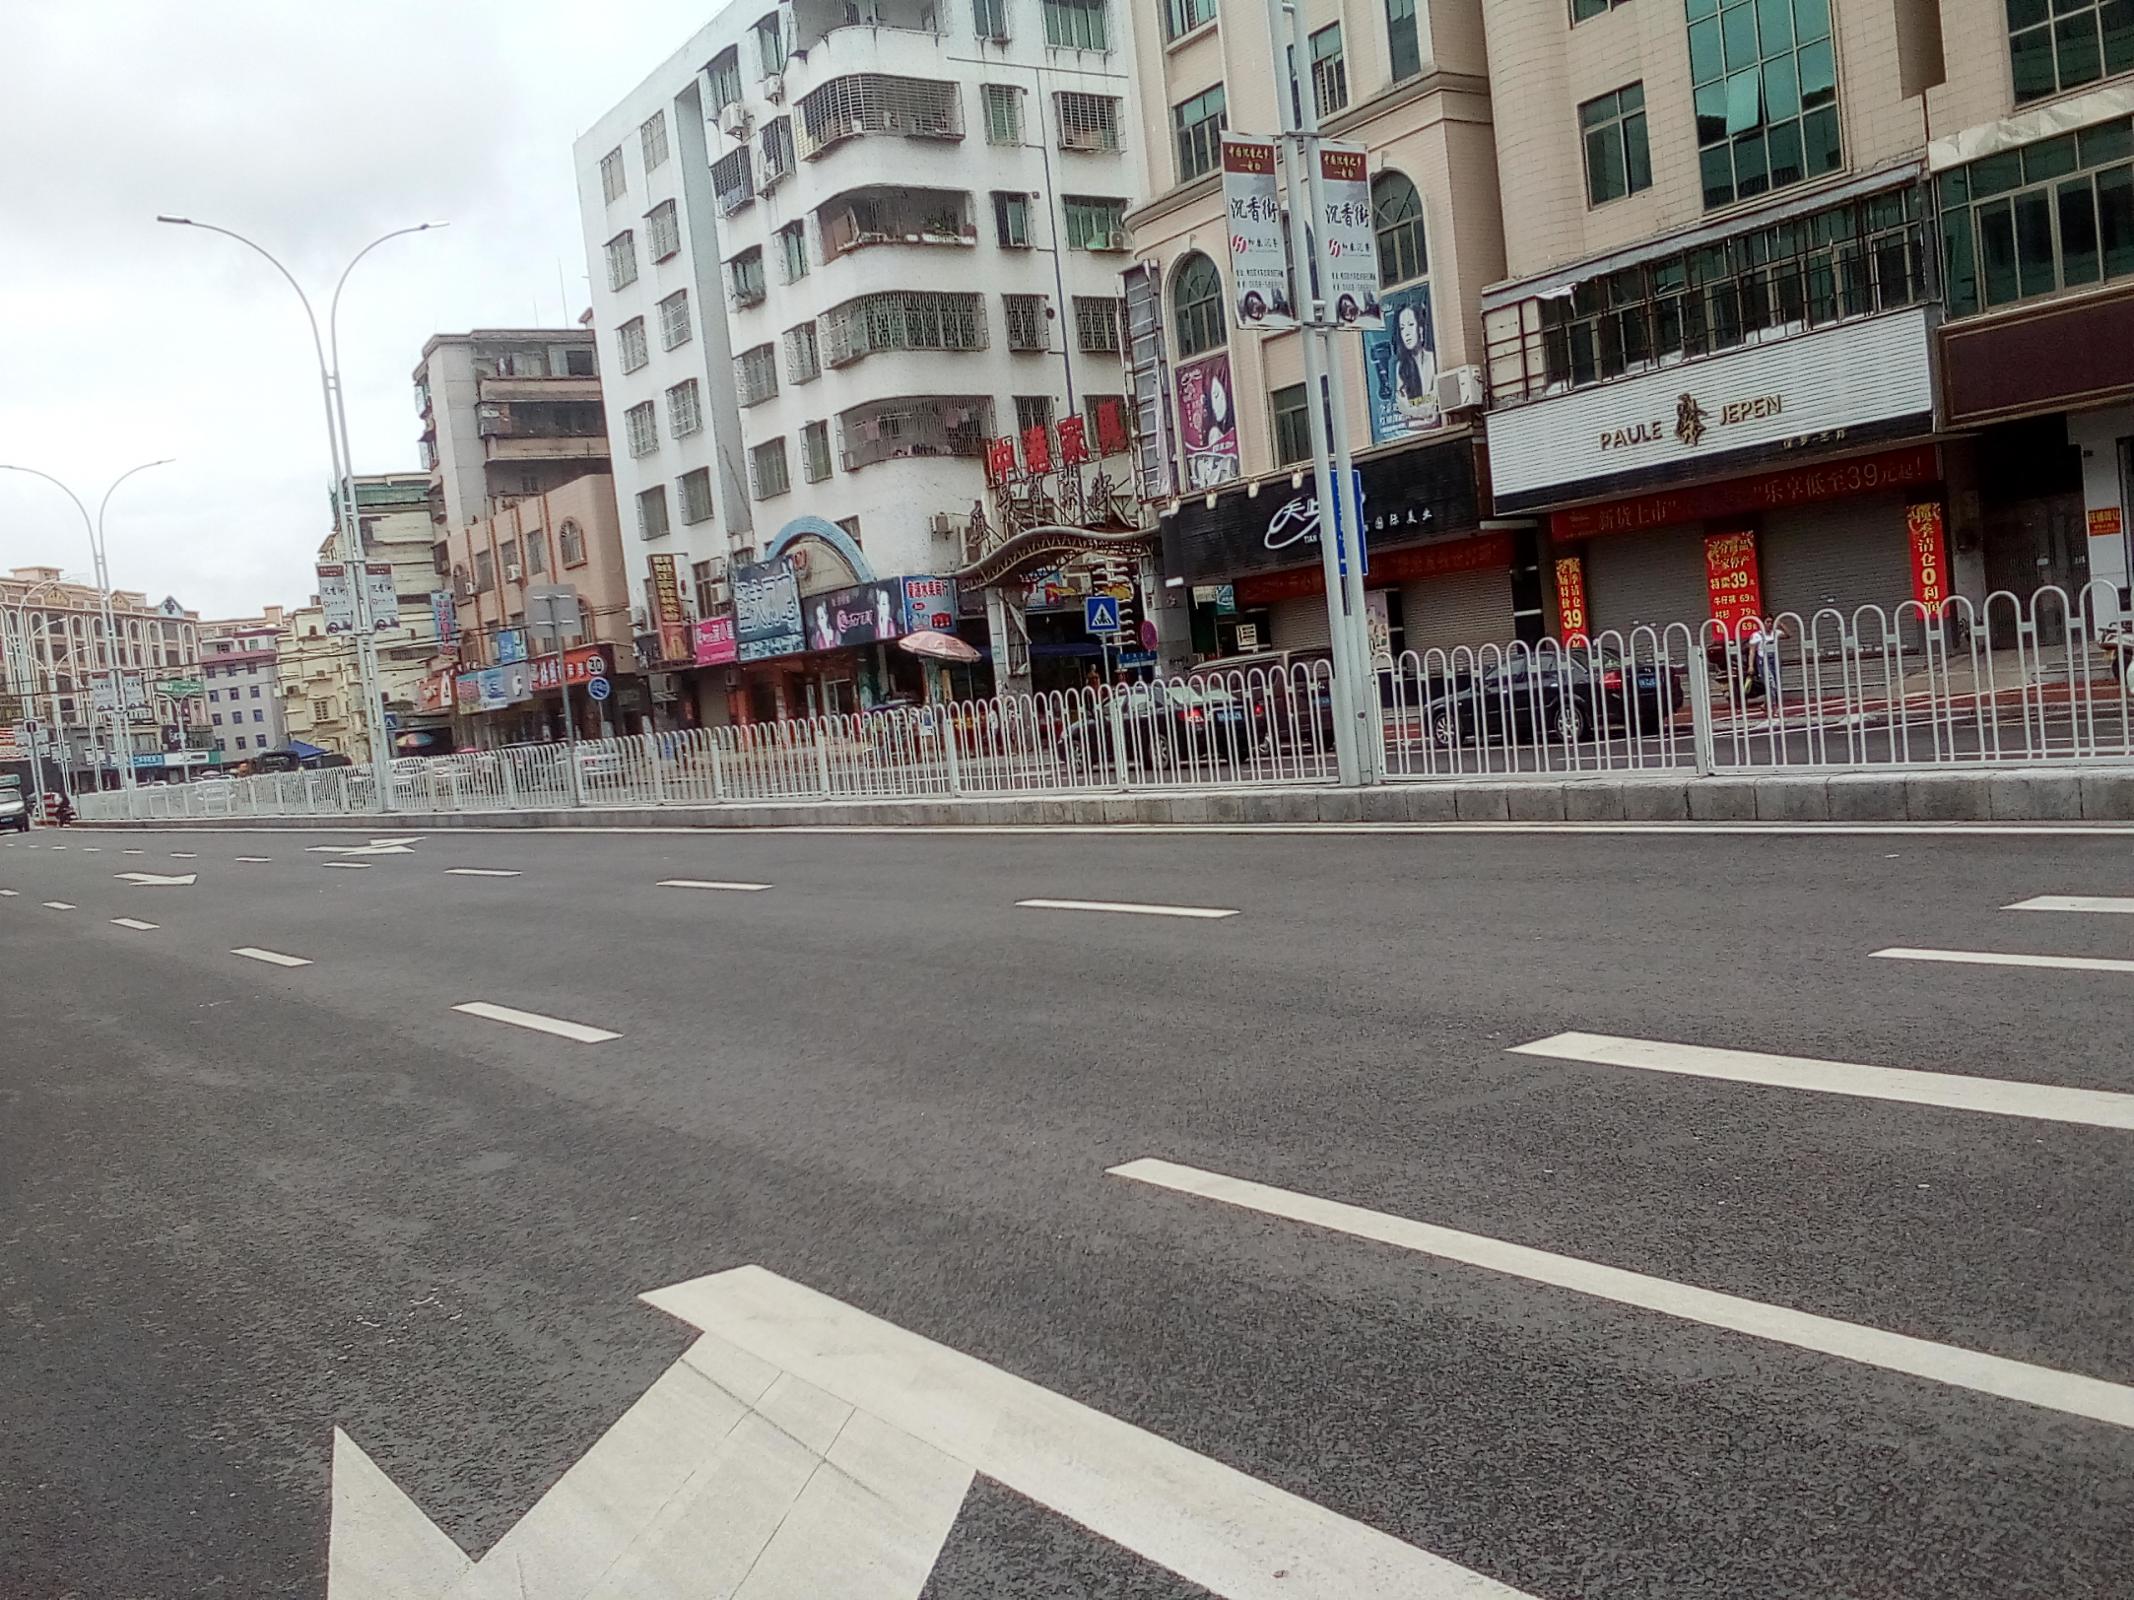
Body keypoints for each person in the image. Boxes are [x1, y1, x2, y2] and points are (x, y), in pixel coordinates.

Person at [1392, 301, 1439, 425]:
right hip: (1413, 427)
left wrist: (1412, 410)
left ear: (1420, 329)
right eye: (1402, 328)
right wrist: (1423, 411)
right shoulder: (1401, 367)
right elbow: (1402, 407)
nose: (1406, 333)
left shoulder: (1433, 359)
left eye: (1411, 325)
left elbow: (1435, 399)